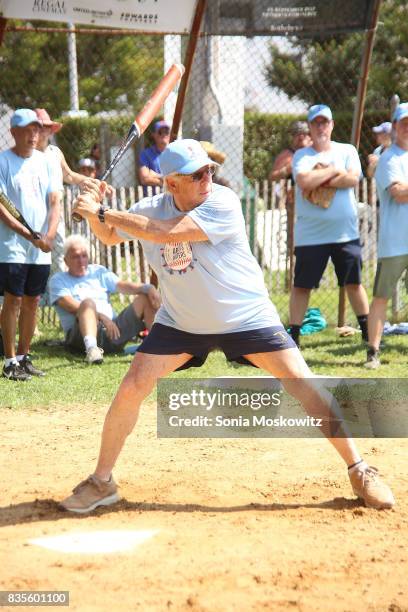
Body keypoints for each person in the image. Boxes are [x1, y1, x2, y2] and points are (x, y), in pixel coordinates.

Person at [59, 139, 394, 513]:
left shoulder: (223, 202)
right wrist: (92, 214)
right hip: (182, 321)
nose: (207, 178)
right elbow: (111, 234)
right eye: (197, 174)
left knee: (303, 383)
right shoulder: (148, 208)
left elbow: (166, 232)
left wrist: (105, 211)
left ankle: (360, 469)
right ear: (171, 184)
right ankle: (101, 481)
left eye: (209, 171)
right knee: (133, 385)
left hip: (246, 316)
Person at [288, 104, 370, 348]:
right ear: (310, 127)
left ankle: (368, 334)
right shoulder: (302, 156)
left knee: (354, 283)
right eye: (316, 123)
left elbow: (353, 178)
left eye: (325, 122)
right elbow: (303, 180)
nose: (321, 127)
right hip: (310, 236)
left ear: (332, 125)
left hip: (345, 233)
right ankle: (293, 337)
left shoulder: (347, 150)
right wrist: (335, 170)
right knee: (302, 286)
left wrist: (320, 177)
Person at [0, 109, 61, 381]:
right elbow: (2, 209)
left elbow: (55, 202)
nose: (33, 134)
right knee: (13, 300)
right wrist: (29, 236)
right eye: (27, 129)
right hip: (12, 245)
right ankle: (10, 360)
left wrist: (49, 235)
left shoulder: (47, 161)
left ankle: (24, 357)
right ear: (13, 132)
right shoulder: (2, 161)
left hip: (40, 246)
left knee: (33, 302)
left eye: (36, 129)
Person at [49, 234, 161, 364]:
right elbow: (72, 307)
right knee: (87, 303)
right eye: (75, 257)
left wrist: (148, 288)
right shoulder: (58, 280)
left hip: (113, 331)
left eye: (84, 256)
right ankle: (92, 350)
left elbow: (123, 286)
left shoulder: (98, 271)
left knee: (145, 298)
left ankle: (158, 347)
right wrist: (102, 317)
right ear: (65, 260)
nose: (81, 261)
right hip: (79, 337)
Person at [365, 103, 408, 369]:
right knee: (381, 296)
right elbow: (398, 193)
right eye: (403, 122)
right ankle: (373, 352)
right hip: (394, 242)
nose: (407, 128)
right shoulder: (388, 159)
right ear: (394, 127)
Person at [35, 108, 102, 275]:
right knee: (35, 254)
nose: (45, 131)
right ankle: (37, 297)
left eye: (47, 127)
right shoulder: (27, 155)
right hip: (35, 211)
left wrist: (89, 181)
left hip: (55, 213)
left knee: (57, 251)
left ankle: (54, 296)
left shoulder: (55, 153)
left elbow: (69, 175)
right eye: (40, 127)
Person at [138, 119, 170, 195]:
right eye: (160, 132)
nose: (164, 135)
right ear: (154, 135)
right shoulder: (146, 154)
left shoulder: (175, 152)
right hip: (153, 197)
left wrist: (155, 175)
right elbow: (144, 179)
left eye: (166, 132)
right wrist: (167, 182)